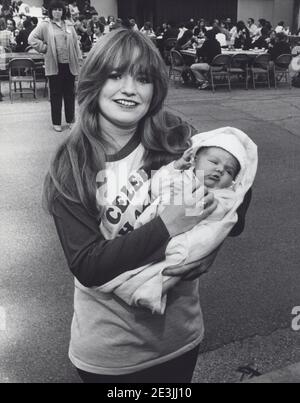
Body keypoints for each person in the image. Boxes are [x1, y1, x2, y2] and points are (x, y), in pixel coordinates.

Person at [43, 28, 251, 383]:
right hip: (110, 354)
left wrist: (213, 244)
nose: (129, 89)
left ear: (155, 89)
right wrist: (169, 225)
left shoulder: (177, 134)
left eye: (143, 78)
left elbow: (238, 180)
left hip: (180, 338)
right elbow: (88, 266)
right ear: (94, 80)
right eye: (115, 75)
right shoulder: (72, 162)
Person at [97, 127, 258, 315]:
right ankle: (133, 287)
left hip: (186, 244)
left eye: (228, 171)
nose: (220, 169)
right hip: (103, 315)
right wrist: (175, 167)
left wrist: (211, 247)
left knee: (173, 262)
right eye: (213, 162)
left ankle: (151, 292)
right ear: (194, 160)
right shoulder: (183, 175)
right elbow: (157, 185)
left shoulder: (221, 195)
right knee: (135, 267)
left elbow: (236, 203)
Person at [28, 0, 82, 132]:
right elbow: (32, 39)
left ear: (63, 11)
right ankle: (56, 122)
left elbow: (75, 44)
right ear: (50, 11)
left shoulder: (69, 25)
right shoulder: (45, 25)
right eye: (55, 9)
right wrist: (45, 48)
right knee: (56, 95)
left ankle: (70, 120)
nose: (57, 12)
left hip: (69, 65)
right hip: (54, 65)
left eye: (60, 9)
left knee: (70, 94)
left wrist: (79, 58)